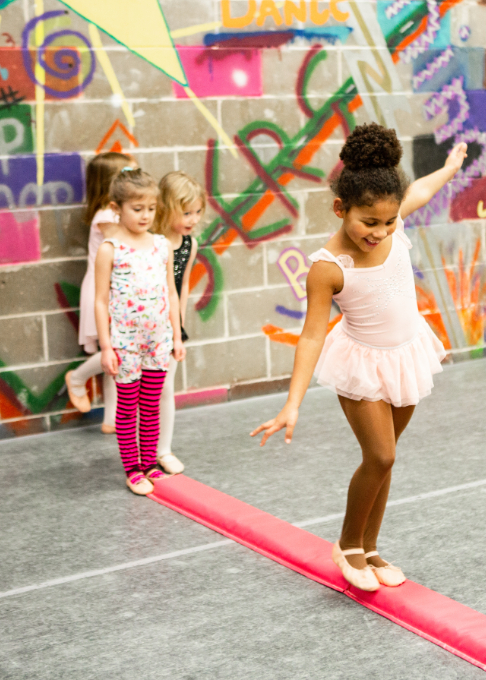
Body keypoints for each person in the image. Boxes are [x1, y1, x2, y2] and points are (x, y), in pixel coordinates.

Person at [250, 123, 466, 591]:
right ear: (340, 208)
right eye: (369, 222)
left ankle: (370, 547)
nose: (381, 231)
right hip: (362, 364)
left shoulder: (392, 220)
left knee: (385, 459)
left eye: (388, 222)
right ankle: (348, 544)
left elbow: (420, 191)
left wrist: (449, 168)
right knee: (380, 455)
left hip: (406, 355)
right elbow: (312, 336)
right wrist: (292, 403)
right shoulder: (328, 267)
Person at [94, 168, 185, 496]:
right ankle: (132, 469)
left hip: (157, 341)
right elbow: (100, 300)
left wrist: (176, 336)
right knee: (127, 406)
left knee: (150, 406)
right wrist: (107, 346)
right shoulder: (110, 249)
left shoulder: (162, 246)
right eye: (137, 209)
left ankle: (149, 463)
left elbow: (171, 292)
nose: (146, 215)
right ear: (116, 208)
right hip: (126, 344)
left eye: (151, 208)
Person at [65, 151, 135, 433]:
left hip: (112, 288)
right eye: (129, 175)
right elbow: (124, 245)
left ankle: (111, 419)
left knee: (114, 358)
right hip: (103, 290)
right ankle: (77, 377)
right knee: (116, 350)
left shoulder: (111, 213)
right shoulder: (107, 215)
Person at [150, 171, 204, 475]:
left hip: (169, 327)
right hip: (142, 324)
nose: (193, 219)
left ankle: (164, 450)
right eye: (186, 213)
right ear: (165, 208)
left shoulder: (188, 244)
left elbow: (181, 288)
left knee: (166, 387)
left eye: (198, 212)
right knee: (140, 391)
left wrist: (177, 330)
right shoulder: (151, 242)